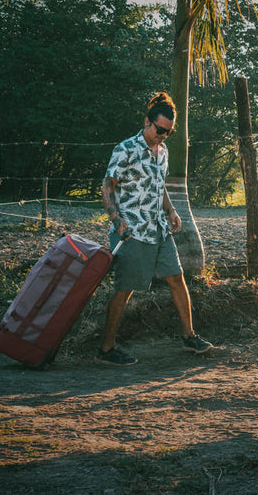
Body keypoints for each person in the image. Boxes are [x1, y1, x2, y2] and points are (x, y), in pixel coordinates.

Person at [97, 92, 213, 366]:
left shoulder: (163, 152)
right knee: (125, 289)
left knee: (176, 278)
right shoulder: (125, 149)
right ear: (147, 122)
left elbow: (158, 187)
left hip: (159, 229)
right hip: (133, 232)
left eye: (169, 133)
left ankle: (189, 336)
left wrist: (170, 211)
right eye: (160, 130)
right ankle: (106, 348)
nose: (163, 135)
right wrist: (116, 220)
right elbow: (107, 187)